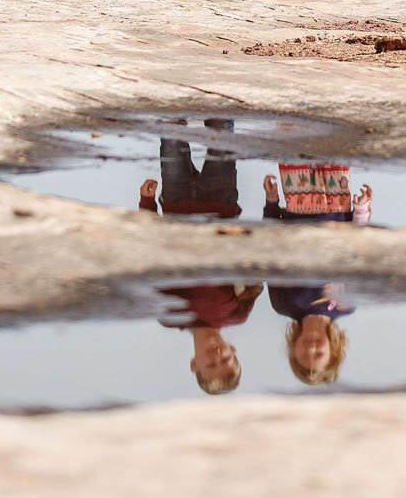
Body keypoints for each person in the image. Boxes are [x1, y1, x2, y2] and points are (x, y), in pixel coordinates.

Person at [139, 123, 262, 395]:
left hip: (176, 203)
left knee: (171, 137)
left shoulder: (171, 316)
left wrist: (147, 205)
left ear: (194, 364)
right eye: (226, 359)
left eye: (210, 363)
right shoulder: (237, 314)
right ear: (234, 350)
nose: (217, 354)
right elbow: (252, 267)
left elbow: (152, 259)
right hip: (221, 205)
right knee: (221, 135)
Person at [263, 165, 372, 385]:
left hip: (298, 205)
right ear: (333, 352)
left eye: (304, 356)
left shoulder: (283, 305)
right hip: (336, 206)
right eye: (319, 355)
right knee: (333, 148)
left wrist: (272, 203)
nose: (311, 349)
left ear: (294, 351)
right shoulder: (347, 306)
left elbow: (273, 252)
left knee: (297, 141)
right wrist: (361, 210)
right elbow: (357, 252)